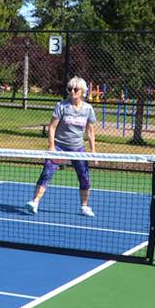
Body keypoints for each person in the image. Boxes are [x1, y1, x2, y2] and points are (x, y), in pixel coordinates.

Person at [26, 76, 97, 217]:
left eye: (75, 89)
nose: (72, 91)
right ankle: (35, 202)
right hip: (59, 147)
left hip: (78, 148)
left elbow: (90, 131)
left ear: (83, 91)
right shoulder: (61, 106)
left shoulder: (88, 109)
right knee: (47, 173)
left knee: (84, 177)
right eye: (70, 89)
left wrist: (93, 151)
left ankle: (84, 206)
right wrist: (51, 146)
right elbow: (52, 127)